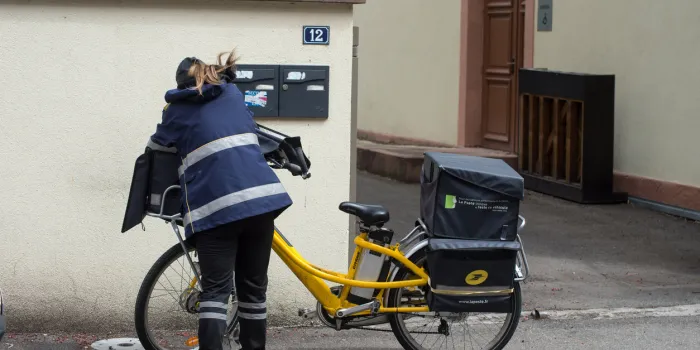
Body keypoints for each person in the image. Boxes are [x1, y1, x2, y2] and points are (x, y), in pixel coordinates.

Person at [146, 50, 293, 350]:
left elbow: (155, 148)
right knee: (253, 292)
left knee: (214, 293)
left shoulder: (176, 110)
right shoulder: (233, 96)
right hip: (261, 204)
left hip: (216, 211)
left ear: (180, 85)